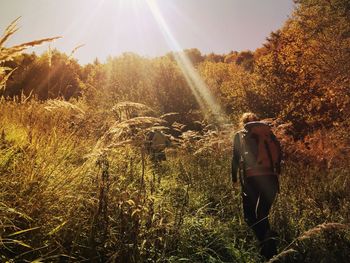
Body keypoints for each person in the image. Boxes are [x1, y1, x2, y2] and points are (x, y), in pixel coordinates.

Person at [231, 112, 282, 260]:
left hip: (252, 179)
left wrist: (234, 178)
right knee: (263, 214)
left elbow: (235, 158)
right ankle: (269, 245)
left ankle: (265, 247)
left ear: (244, 123)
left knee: (249, 215)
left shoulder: (240, 135)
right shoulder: (268, 134)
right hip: (271, 179)